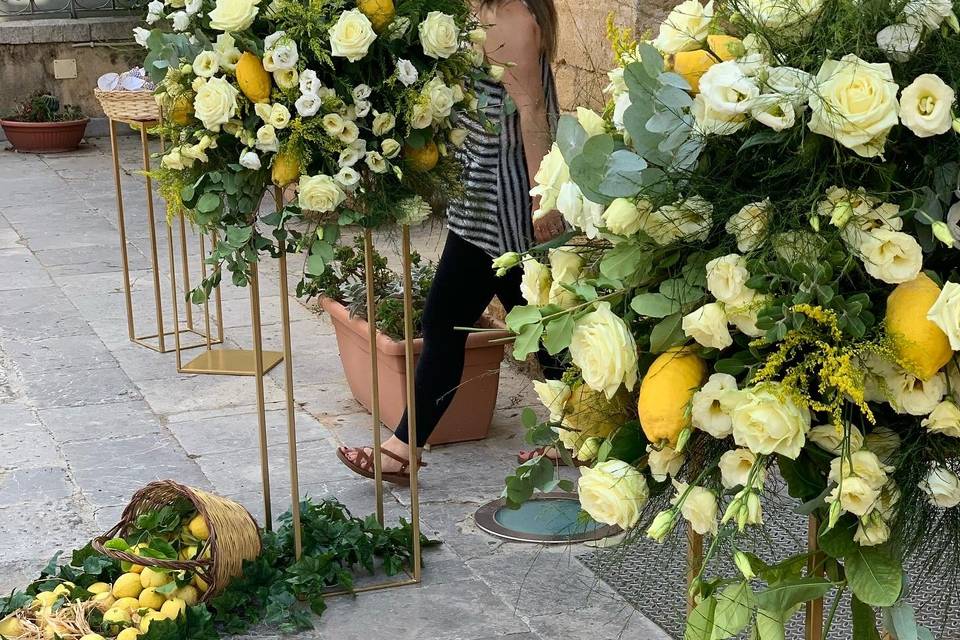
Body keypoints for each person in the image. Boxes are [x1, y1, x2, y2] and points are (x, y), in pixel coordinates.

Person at [337, 0, 565, 485]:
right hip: (482, 196)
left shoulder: (512, 18)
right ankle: (580, 435)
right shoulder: (482, 10)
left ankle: (402, 449)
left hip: (504, 199)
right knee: (540, 325)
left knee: (455, 322)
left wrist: (543, 197)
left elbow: (532, 113)